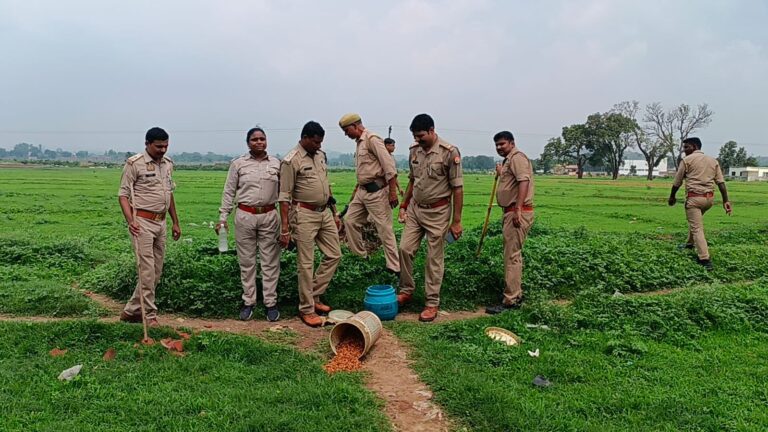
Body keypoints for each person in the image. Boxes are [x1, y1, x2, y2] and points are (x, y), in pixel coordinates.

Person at [396, 114, 463, 322]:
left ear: (432, 131)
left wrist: (456, 221)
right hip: (415, 209)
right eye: (415, 137)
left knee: (434, 258)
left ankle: (432, 302)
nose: (418, 140)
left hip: (438, 212)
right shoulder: (414, 151)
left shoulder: (449, 152)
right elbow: (412, 180)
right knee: (405, 248)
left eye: (421, 136)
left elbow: (458, 188)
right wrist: (404, 205)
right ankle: (406, 290)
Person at [278, 121, 342, 327]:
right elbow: (284, 197)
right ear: (304, 138)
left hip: (324, 212)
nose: (319, 145)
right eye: (315, 142)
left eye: (321, 142)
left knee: (334, 254)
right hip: (303, 214)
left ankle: (314, 295)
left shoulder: (320, 155)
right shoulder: (291, 161)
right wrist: (285, 229)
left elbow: (326, 185)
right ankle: (306, 308)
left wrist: (335, 212)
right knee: (306, 263)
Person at [216, 127, 281, 322]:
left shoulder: (277, 164)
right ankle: (249, 301)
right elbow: (229, 191)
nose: (259, 142)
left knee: (270, 261)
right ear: (248, 143)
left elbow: (285, 192)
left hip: (269, 215)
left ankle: (270, 303)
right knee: (247, 261)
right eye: (254, 139)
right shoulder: (238, 164)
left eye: (262, 139)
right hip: (245, 215)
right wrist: (223, 218)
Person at [118, 127, 181, 326]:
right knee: (146, 270)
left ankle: (131, 311)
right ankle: (149, 315)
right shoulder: (134, 164)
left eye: (166, 146)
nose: (162, 150)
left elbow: (169, 194)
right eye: (158, 146)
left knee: (156, 271)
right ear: (147, 144)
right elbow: (123, 195)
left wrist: (175, 222)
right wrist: (131, 221)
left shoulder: (168, 164)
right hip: (142, 222)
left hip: (161, 222)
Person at [338, 113, 400, 275]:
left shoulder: (372, 139)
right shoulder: (359, 143)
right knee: (350, 221)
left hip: (377, 192)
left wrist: (393, 192)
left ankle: (394, 268)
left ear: (355, 126)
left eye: (346, 130)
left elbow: (389, 167)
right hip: (362, 191)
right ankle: (361, 258)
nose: (346, 134)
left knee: (384, 229)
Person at [485, 131, 535, 314]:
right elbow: (512, 181)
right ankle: (516, 294)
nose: (499, 147)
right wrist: (501, 173)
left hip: (516, 212)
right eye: (497, 145)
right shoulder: (509, 160)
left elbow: (523, 182)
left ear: (512, 143)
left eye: (502, 144)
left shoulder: (517, 157)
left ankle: (510, 300)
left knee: (511, 256)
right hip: (510, 211)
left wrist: (518, 209)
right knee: (513, 255)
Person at [668, 137, 732, 270]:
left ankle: (704, 259)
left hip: (694, 199)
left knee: (697, 228)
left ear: (695, 147)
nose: (684, 150)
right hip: (709, 200)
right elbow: (721, 182)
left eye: (686, 147)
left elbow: (677, 182)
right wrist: (726, 200)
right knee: (695, 222)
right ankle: (689, 244)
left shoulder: (687, 160)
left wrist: (672, 196)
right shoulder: (713, 161)